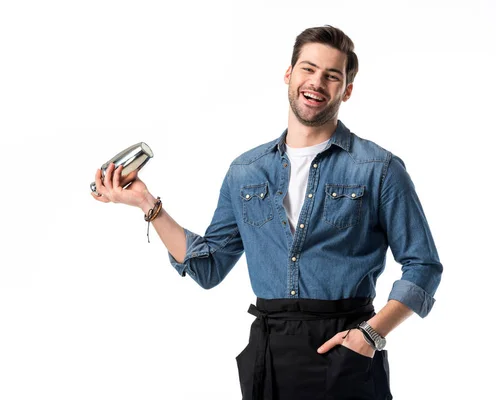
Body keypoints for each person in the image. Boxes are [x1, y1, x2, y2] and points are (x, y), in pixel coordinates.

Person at [91, 25, 442, 400]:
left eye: (332, 75)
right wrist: (148, 204)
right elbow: (208, 268)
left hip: (347, 351)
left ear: (347, 90)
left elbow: (423, 266)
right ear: (289, 75)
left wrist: (370, 334)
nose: (317, 82)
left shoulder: (378, 168)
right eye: (308, 69)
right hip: (270, 355)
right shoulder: (246, 171)